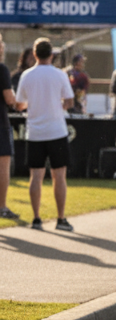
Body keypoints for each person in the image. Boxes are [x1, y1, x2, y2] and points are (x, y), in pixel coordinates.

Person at [14, 37, 75, 232]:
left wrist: (30, 105)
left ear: (34, 54)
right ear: (51, 55)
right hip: (57, 131)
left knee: (36, 176)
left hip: (35, 132)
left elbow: (19, 104)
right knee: (59, 176)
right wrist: (59, 106)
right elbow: (70, 101)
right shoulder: (59, 75)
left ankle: (37, 219)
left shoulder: (27, 76)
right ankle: (60, 218)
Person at [0, 34, 18, 220]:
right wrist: (20, 102)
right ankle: (2, 206)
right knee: (3, 166)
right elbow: (10, 99)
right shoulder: (2, 69)